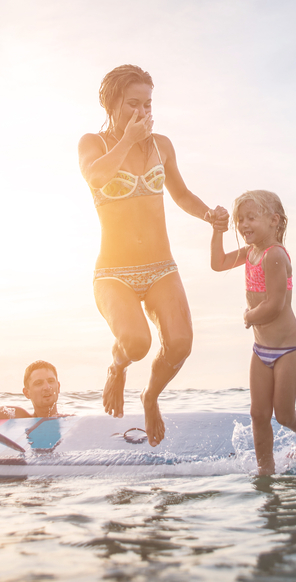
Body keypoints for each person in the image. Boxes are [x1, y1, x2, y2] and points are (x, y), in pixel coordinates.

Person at [77, 64, 229, 447]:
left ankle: (150, 397)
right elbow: (95, 177)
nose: (142, 113)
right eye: (132, 104)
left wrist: (208, 214)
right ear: (111, 104)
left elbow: (180, 194)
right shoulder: (91, 144)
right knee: (137, 343)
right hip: (113, 272)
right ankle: (117, 366)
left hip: (161, 267)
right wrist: (127, 140)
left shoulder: (162, 144)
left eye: (147, 104)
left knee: (180, 344)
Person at [210, 190, 296, 475]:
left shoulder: (275, 256)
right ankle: (265, 469)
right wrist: (218, 231)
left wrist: (249, 316)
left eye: (251, 218)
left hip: (288, 349)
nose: (244, 224)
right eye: (239, 220)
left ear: (274, 221)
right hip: (261, 350)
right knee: (258, 414)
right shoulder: (250, 253)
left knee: (282, 415)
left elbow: (275, 305)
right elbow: (218, 263)